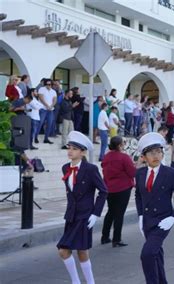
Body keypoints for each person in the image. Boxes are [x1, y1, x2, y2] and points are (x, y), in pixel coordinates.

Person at [135, 132, 174, 284]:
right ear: (144, 157)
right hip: (146, 221)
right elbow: (138, 195)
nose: (156, 156)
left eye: (158, 151)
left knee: (147, 254)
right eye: (151, 153)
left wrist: (173, 217)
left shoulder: (170, 173)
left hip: (163, 221)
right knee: (156, 255)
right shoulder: (140, 173)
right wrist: (140, 216)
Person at [57, 131, 108, 284]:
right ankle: (79, 281)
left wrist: (95, 214)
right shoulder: (65, 167)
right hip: (71, 216)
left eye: (74, 148)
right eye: (69, 147)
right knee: (77, 251)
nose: (70, 151)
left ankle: (83, 282)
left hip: (85, 216)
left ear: (82, 151)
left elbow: (104, 191)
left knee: (69, 250)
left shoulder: (91, 169)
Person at [100, 136, 136, 247]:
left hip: (109, 188)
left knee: (111, 212)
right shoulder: (124, 157)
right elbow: (132, 173)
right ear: (120, 145)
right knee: (119, 214)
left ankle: (105, 236)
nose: (124, 145)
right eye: (123, 143)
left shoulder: (106, 157)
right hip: (122, 188)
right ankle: (117, 239)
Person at [38, 79, 57, 144]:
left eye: (50, 84)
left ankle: (46, 139)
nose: (48, 85)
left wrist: (51, 106)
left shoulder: (53, 91)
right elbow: (41, 98)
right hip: (43, 109)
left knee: (50, 124)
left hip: (50, 110)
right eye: (47, 84)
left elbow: (55, 100)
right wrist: (47, 106)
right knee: (40, 123)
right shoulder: (41, 89)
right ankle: (35, 137)